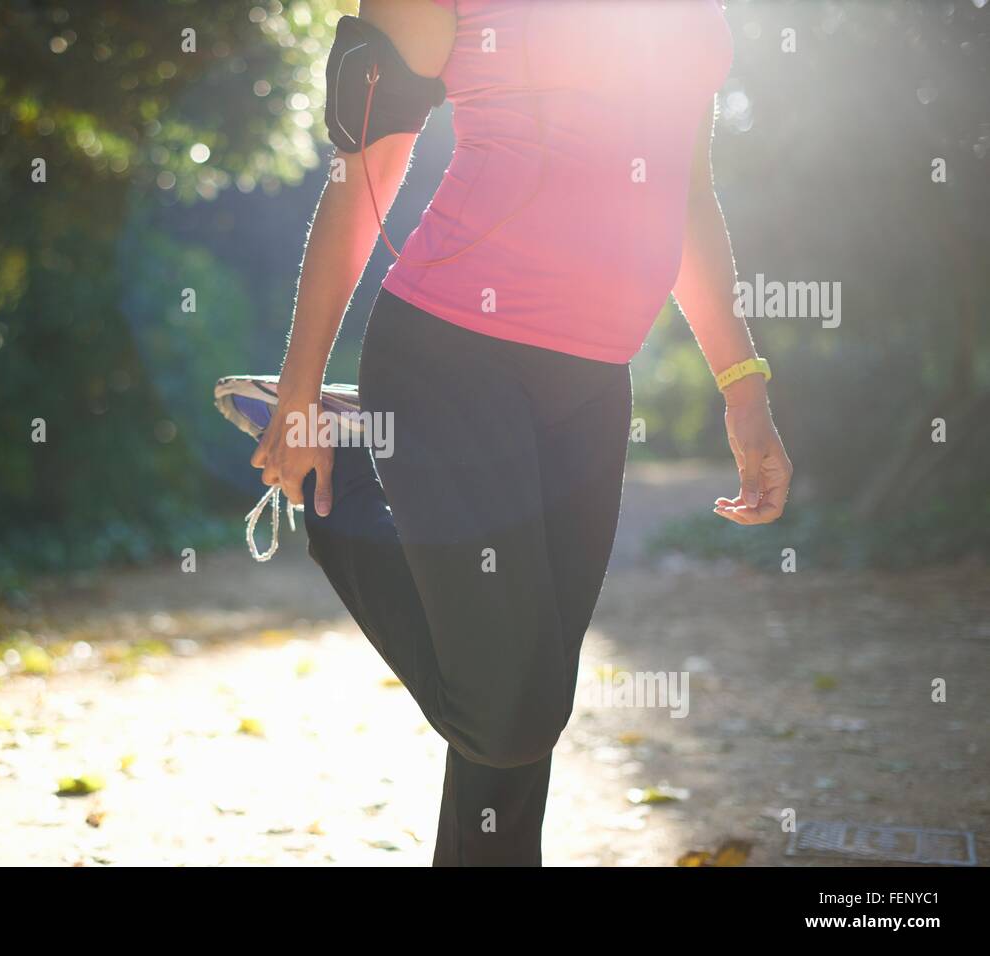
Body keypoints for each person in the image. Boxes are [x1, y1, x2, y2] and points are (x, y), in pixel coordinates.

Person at [241, 0, 792, 866]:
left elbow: (685, 193)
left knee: (520, 706)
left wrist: (742, 385)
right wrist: (302, 389)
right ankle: (342, 481)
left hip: (595, 381)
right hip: (451, 358)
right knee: (512, 713)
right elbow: (363, 176)